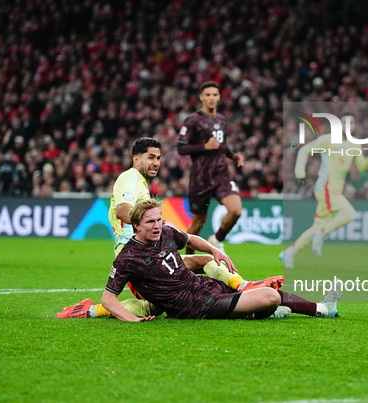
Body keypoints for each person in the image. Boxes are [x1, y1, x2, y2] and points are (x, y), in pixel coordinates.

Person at [58, 137, 281, 319]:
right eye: (150, 158)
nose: (156, 162)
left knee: (196, 268)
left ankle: (244, 287)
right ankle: (90, 311)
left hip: (151, 252)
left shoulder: (140, 182)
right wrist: (150, 223)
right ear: (136, 159)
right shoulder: (130, 178)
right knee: (157, 305)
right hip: (138, 256)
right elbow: (123, 211)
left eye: (158, 158)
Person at [102, 199, 342, 321]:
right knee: (270, 294)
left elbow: (191, 239)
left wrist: (216, 251)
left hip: (202, 286)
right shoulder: (128, 257)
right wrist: (131, 320)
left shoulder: (166, 231)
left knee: (257, 289)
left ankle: (261, 310)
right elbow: (108, 298)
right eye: (150, 222)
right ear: (136, 225)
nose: (157, 226)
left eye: (158, 219)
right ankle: (323, 309)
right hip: (193, 306)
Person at [281, 112, 368, 268]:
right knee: (350, 214)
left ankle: (289, 252)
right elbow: (304, 150)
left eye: (351, 123)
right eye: (344, 122)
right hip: (326, 187)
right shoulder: (328, 140)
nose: (348, 126)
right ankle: (322, 234)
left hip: (335, 190)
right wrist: (300, 173)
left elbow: (362, 166)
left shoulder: (355, 145)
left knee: (318, 225)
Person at [177, 81, 245, 254]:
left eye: (215, 95)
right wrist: (204, 147)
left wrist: (233, 156)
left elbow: (222, 144)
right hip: (201, 178)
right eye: (208, 95)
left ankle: (217, 239)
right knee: (198, 223)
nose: (211, 98)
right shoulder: (192, 121)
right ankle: (188, 262)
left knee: (236, 210)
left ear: (219, 97)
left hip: (222, 174)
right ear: (201, 97)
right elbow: (181, 147)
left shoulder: (222, 120)